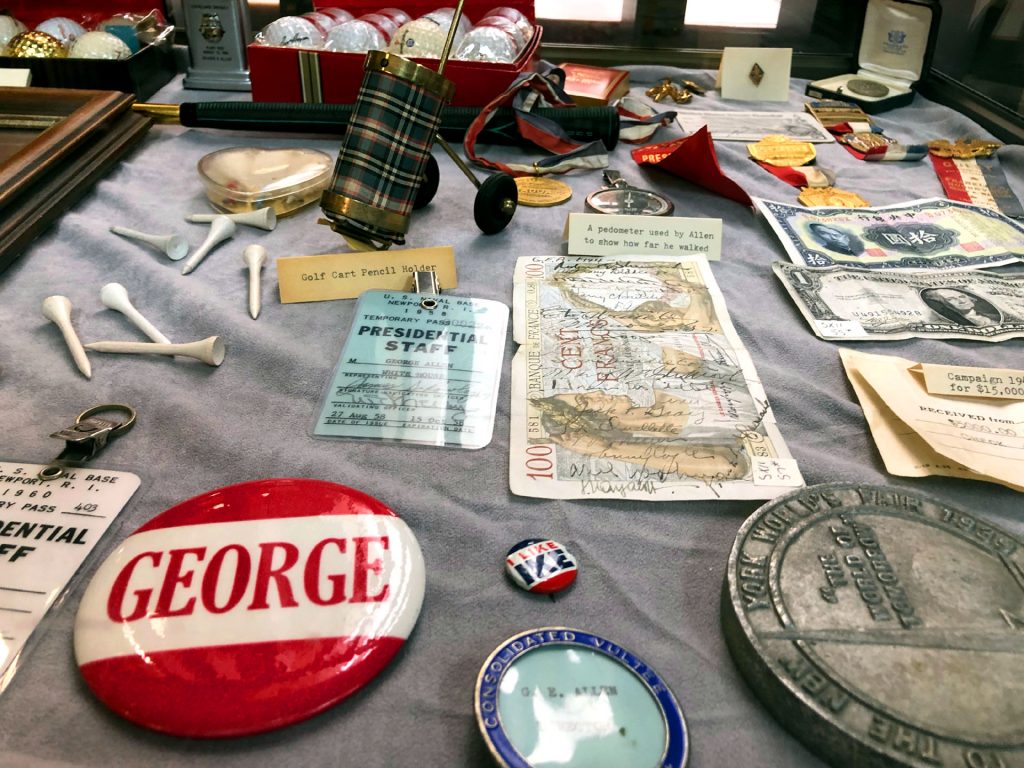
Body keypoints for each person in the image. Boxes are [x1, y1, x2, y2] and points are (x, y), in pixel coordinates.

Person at [530, 390, 752, 482]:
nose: (597, 392)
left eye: (585, 393)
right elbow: (730, 467)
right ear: (593, 424)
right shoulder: (660, 445)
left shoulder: (665, 386)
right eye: (586, 401)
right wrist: (607, 450)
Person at [920, 287, 1002, 327]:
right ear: (944, 304)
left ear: (970, 298)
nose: (962, 301)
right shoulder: (952, 321)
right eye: (950, 299)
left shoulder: (996, 317)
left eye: (962, 297)